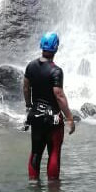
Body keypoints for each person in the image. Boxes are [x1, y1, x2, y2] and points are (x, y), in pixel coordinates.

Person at [23, 32, 75, 181]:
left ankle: (33, 184)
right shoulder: (56, 71)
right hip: (53, 119)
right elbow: (58, 95)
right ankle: (53, 189)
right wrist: (70, 117)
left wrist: (29, 106)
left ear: (41, 46)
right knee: (54, 152)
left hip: (36, 116)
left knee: (36, 152)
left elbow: (26, 88)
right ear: (56, 48)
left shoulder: (30, 66)